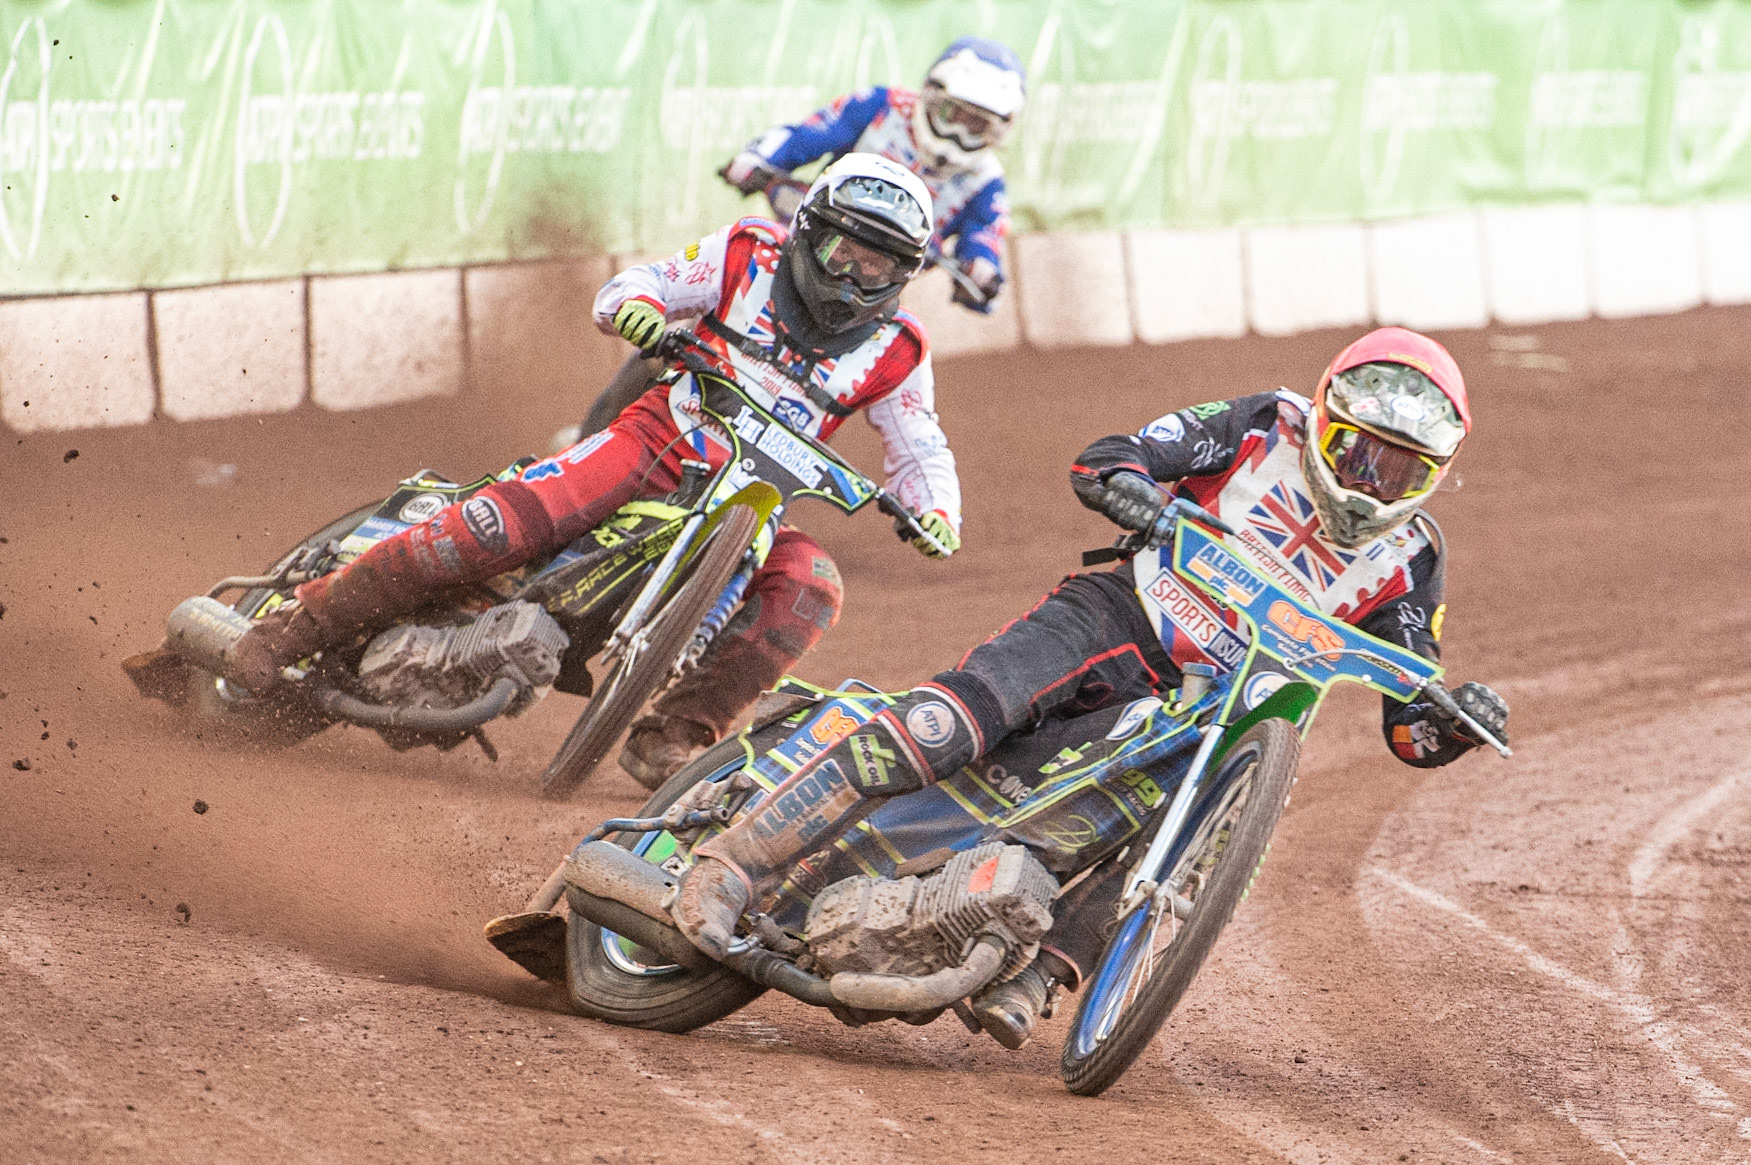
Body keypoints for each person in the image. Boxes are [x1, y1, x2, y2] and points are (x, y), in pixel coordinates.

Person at [667, 326, 1511, 1048]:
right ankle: (733, 861)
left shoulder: (1412, 557)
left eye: (1401, 471)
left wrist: (1456, 721)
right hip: (1121, 618)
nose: (1371, 483)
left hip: (1218, 711)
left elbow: (1409, 721)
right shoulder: (1264, 425)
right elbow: (1113, 456)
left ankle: (1038, 974)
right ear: (1323, 421)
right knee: (944, 724)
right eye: (1358, 453)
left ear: (1436, 474)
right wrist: (1132, 490)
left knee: (1192, 842)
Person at [221, 153, 965, 790]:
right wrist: (636, 308)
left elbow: (919, 442)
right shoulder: (748, 252)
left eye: (877, 264)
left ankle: (677, 730)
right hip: (658, 439)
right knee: (502, 524)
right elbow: (647, 282)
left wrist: (935, 509)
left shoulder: (899, 348)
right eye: (844, 252)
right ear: (809, 231)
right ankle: (294, 628)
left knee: (813, 585)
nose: (853, 276)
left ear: (904, 273)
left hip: (755, 505)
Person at [569, 36, 1026, 443]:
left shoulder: (985, 179)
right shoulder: (881, 107)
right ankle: (591, 440)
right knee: (678, 341)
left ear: (999, 132)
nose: (959, 132)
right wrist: (759, 158)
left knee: (819, 395)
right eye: (952, 114)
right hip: (797, 259)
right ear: (930, 94)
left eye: (977, 125)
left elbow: (985, 237)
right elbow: (810, 136)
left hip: (866, 303)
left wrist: (984, 273)